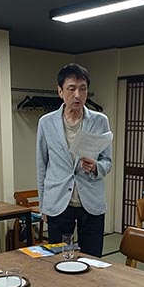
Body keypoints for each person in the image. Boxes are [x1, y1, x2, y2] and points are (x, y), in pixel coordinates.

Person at [36, 63, 112, 257]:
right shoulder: (46, 122)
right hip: (58, 202)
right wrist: (44, 205)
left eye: (83, 89)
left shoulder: (100, 120)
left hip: (91, 202)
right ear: (60, 91)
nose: (78, 95)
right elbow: (42, 166)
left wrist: (96, 167)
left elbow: (107, 161)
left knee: (92, 259)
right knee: (59, 260)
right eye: (71, 89)